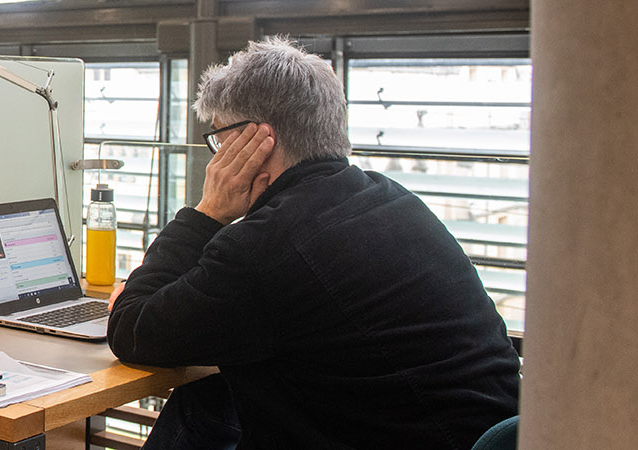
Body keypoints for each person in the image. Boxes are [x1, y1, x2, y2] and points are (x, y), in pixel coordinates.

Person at [105, 37, 520, 450]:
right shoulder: (392, 199)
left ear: (254, 141)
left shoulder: (265, 247)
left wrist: (206, 213)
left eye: (218, 140)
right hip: (482, 433)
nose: (215, 160)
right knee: (211, 395)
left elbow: (130, 330)